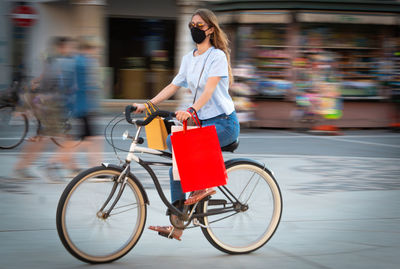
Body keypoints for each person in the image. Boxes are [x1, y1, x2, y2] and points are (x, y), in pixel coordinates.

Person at [133, 8, 240, 240]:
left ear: (210, 29)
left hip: (224, 123)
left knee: (178, 146)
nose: (195, 28)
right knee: (175, 163)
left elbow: (209, 90)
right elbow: (173, 86)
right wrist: (147, 104)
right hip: (202, 122)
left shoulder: (217, 57)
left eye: (200, 25)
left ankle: (205, 183)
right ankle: (178, 223)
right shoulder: (188, 59)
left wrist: (191, 109)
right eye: (192, 24)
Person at [13, 37, 75, 179]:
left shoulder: (55, 61)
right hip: (49, 107)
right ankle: (51, 167)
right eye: (68, 46)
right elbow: (48, 85)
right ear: (61, 47)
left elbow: (43, 81)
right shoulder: (55, 63)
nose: (70, 49)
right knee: (60, 138)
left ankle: (23, 167)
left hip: (49, 106)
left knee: (47, 138)